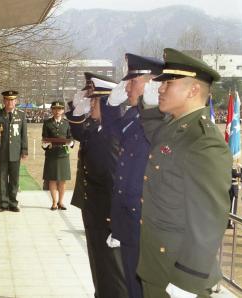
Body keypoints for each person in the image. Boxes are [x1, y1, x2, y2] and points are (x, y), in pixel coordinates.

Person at [137, 48, 232, 298]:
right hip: (156, 264)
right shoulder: (174, 127)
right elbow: (155, 135)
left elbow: (208, 220)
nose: (160, 89)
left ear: (193, 90)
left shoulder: (203, 141)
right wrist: (147, 106)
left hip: (177, 273)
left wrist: (187, 281)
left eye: (168, 83)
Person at [106, 53, 164, 298]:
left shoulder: (163, 120)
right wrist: (110, 105)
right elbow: (113, 131)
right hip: (129, 217)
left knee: (143, 288)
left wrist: (151, 108)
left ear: (152, 83)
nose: (128, 86)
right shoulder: (134, 115)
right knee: (132, 285)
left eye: (134, 81)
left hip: (147, 220)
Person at [69, 73, 128, 298]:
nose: (90, 104)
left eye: (94, 101)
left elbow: (115, 179)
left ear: (106, 103)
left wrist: (115, 218)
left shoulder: (112, 136)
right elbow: (78, 134)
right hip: (95, 207)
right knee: (98, 261)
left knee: (113, 267)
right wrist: (76, 111)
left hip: (107, 212)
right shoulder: (97, 129)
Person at [0, 90, 28, 212]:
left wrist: (24, 150)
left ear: (16, 101)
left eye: (12, 100)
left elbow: (24, 134)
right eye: (7, 100)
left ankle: (13, 203)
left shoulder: (21, 115)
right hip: (2, 151)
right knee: (1, 179)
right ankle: (3, 203)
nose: (10, 102)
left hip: (15, 152)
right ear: (4, 101)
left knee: (14, 179)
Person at [41, 101, 73, 210]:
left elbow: (70, 136)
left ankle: (61, 202)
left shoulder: (67, 123)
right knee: (52, 179)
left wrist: (71, 142)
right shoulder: (47, 123)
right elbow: (44, 138)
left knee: (62, 180)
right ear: (52, 110)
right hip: (52, 154)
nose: (57, 111)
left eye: (59, 109)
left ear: (63, 110)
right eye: (54, 109)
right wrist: (45, 144)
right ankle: (54, 202)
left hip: (63, 154)